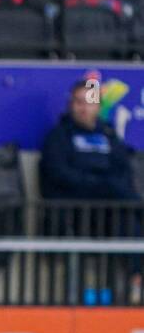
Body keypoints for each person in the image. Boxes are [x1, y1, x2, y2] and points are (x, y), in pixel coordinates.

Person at [40, 77, 142, 303]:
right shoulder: (59, 137)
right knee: (120, 196)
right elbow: (59, 175)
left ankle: (136, 282)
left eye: (89, 102)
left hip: (110, 213)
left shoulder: (109, 135)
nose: (83, 108)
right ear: (71, 104)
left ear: (98, 106)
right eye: (78, 102)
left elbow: (123, 170)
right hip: (74, 213)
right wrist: (99, 184)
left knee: (131, 220)